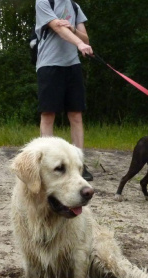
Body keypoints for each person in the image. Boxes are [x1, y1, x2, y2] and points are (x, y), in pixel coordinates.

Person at [35, 0, 94, 180]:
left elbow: (86, 39)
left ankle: (79, 164)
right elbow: (58, 29)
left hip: (72, 66)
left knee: (76, 115)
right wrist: (79, 44)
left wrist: (74, 30)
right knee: (48, 114)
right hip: (49, 64)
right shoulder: (44, 2)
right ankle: (47, 163)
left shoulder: (75, 6)